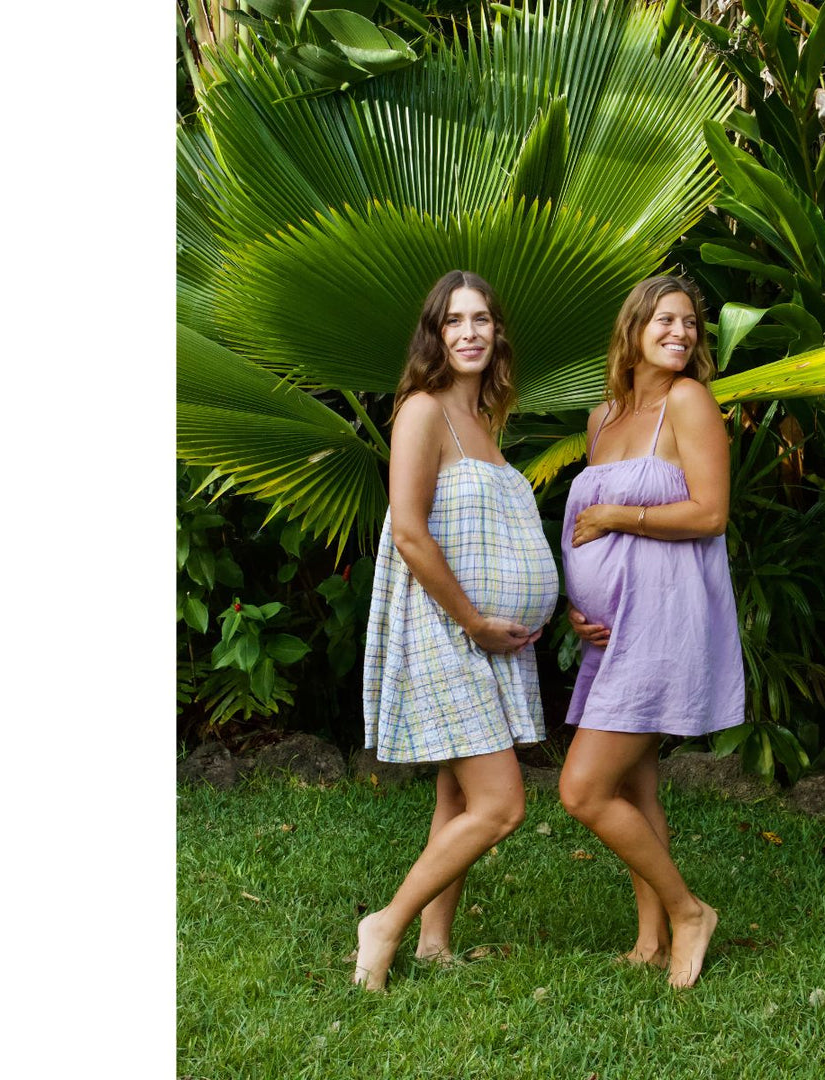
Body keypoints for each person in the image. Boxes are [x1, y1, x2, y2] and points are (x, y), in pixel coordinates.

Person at [351, 270, 559, 990]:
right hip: (444, 628)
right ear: (436, 335)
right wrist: (473, 621)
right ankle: (386, 923)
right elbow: (409, 533)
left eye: (482, 319)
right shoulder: (423, 411)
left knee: (459, 796)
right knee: (501, 805)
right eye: (454, 321)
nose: (470, 332)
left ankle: (435, 942)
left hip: (489, 640)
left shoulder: (485, 421)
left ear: (498, 332)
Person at [557, 274, 745, 989]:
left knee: (582, 790)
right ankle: (650, 940)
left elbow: (709, 514)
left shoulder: (688, 401)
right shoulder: (602, 417)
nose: (683, 332)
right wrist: (580, 598)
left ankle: (688, 911)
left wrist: (615, 521)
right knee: (635, 790)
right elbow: (587, 527)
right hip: (608, 632)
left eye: (691, 323)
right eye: (667, 319)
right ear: (634, 328)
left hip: (664, 624)